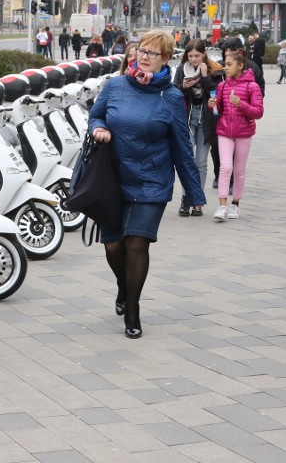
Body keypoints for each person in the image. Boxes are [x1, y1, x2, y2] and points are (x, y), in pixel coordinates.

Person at [89, 29, 205, 339]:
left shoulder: (172, 97)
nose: (143, 57)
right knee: (113, 245)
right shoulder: (115, 86)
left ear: (166, 59)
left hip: (152, 180)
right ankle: (123, 286)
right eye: (141, 50)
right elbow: (95, 116)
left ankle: (133, 310)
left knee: (136, 242)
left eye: (152, 53)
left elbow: (182, 146)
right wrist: (99, 129)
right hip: (113, 177)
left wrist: (194, 192)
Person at [208, 48, 264, 221]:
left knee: (239, 170)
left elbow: (258, 112)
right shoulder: (222, 85)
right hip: (225, 131)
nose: (225, 67)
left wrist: (241, 105)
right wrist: (214, 105)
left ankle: (235, 204)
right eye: (225, 64)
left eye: (229, 64)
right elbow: (220, 111)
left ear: (240, 65)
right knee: (225, 167)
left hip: (244, 132)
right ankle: (222, 206)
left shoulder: (252, 86)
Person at [173, 39, 225, 217]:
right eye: (190, 56)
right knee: (187, 161)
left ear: (204, 54)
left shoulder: (214, 69)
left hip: (206, 119)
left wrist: (205, 77)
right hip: (187, 119)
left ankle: (198, 201)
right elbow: (174, 93)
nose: (194, 59)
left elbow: (216, 94)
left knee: (201, 162)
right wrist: (183, 87)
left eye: (197, 55)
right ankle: (186, 198)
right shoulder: (182, 69)